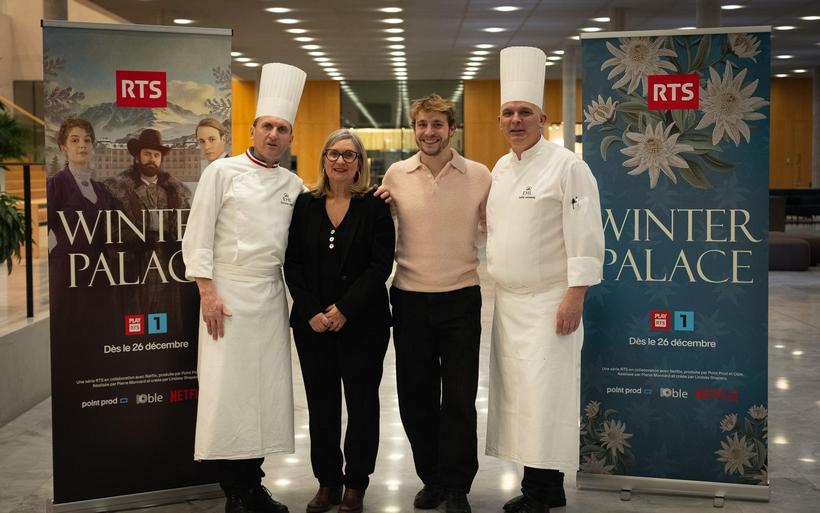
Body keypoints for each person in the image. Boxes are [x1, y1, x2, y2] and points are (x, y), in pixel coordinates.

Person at [181, 63, 307, 513]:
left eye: (282, 129)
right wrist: (207, 292)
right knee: (229, 393)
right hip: (227, 296)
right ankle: (234, 490)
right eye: (267, 126)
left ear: (290, 138)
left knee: (263, 393)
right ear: (252, 131)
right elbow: (196, 235)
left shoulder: (294, 185)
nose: (273, 134)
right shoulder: (222, 172)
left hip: (270, 298)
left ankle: (254, 484)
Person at [485, 47, 605, 513]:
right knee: (518, 397)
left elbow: (586, 236)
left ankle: (543, 490)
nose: (516, 120)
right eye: (509, 113)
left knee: (545, 396)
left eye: (525, 113)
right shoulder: (500, 168)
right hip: (509, 303)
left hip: (550, 300)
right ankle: (538, 485)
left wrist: (574, 296)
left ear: (544, 117)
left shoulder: (568, 166)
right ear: (500, 120)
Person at [376, 93, 491, 513]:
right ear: (414, 129)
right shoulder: (396, 174)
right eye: (422, 125)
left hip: (461, 298)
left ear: (452, 128)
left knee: (459, 399)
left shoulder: (480, 175)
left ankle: (458, 484)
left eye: (437, 125)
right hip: (408, 299)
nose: (429, 132)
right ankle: (432, 479)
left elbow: (499, 225)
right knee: (416, 397)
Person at [284, 129, 395, 513]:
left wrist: (345, 308)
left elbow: (381, 264)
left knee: (362, 403)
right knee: (322, 403)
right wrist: (312, 310)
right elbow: (292, 263)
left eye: (350, 155)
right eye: (334, 153)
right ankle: (328, 482)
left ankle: (356, 484)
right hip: (312, 325)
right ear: (324, 159)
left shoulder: (374, 206)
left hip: (363, 323)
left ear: (360, 163)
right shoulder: (305, 205)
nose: (341, 161)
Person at [105, 128, 192, 318]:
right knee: (134, 322)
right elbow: (109, 231)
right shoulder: (117, 191)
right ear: (137, 158)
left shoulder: (176, 193)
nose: (152, 159)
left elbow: (187, 229)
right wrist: (136, 242)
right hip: (134, 271)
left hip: (168, 271)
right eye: (147, 154)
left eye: (156, 155)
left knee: (167, 324)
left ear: (161, 159)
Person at [47, 118, 115, 333]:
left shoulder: (101, 189)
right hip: (68, 277)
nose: (82, 145)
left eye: (87, 140)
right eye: (75, 140)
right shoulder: (56, 185)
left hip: (99, 276)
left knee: (98, 334)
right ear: (63, 147)